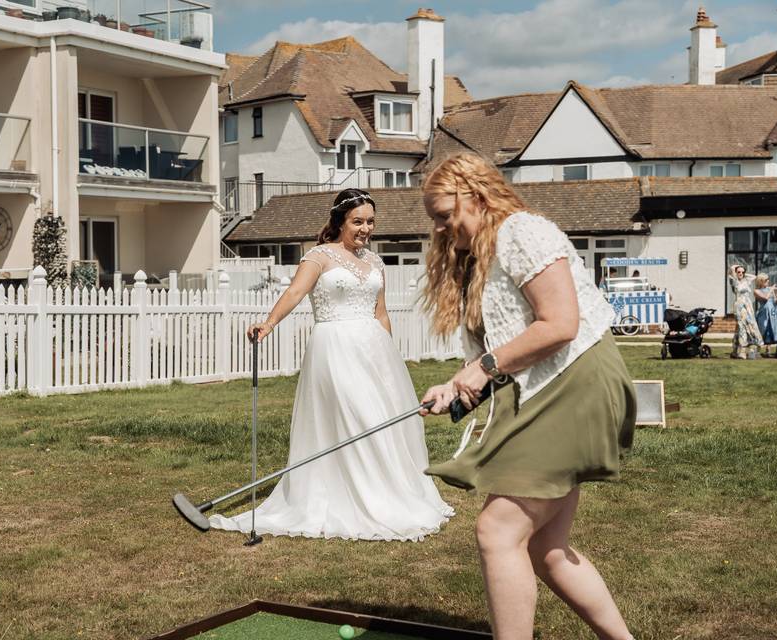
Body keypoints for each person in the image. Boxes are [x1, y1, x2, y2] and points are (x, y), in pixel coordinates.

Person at [418, 153, 636, 640]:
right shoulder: (477, 260)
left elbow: (560, 324)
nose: (438, 228)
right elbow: (501, 353)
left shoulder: (522, 231)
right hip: (545, 390)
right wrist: (456, 386)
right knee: (546, 549)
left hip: (576, 383)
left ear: (473, 195)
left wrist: (484, 368)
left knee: (498, 531)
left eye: (443, 214)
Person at [208, 188, 453, 541]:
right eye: (358, 221)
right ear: (340, 221)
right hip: (334, 347)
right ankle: (349, 495)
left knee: (377, 420)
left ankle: (385, 492)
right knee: (352, 414)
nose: (365, 228)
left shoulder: (375, 262)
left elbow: (380, 313)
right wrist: (269, 323)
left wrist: (389, 358)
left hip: (374, 349)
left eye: (370, 222)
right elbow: (294, 293)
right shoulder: (319, 257)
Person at [728, 264, 763, 359]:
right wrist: (736, 268)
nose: (741, 273)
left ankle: (737, 350)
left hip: (748, 306)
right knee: (741, 326)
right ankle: (742, 351)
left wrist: (744, 274)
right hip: (739, 306)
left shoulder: (746, 280)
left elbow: (754, 277)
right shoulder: (734, 281)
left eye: (742, 272)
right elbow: (731, 270)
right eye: (739, 272)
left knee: (751, 326)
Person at [753, 274, 777, 357]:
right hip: (763, 313)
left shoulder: (769, 289)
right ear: (760, 282)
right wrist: (771, 289)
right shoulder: (756, 291)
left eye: (768, 279)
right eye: (766, 280)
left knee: (770, 330)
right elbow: (765, 298)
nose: (768, 281)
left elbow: (775, 300)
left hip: (772, 313)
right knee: (762, 330)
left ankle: (768, 351)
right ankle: (757, 350)